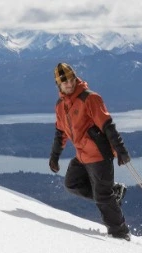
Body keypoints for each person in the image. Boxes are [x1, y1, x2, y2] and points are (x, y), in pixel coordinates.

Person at [48, 62, 132, 240]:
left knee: (102, 196)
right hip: (82, 155)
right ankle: (114, 192)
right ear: (58, 85)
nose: (69, 84)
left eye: (71, 80)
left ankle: (120, 233)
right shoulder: (60, 105)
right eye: (65, 83)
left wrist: (120, 150)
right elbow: (60, 132)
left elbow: (107, 125)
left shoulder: (90, 98)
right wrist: (54, 157)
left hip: (99, 155)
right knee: (72, 184)